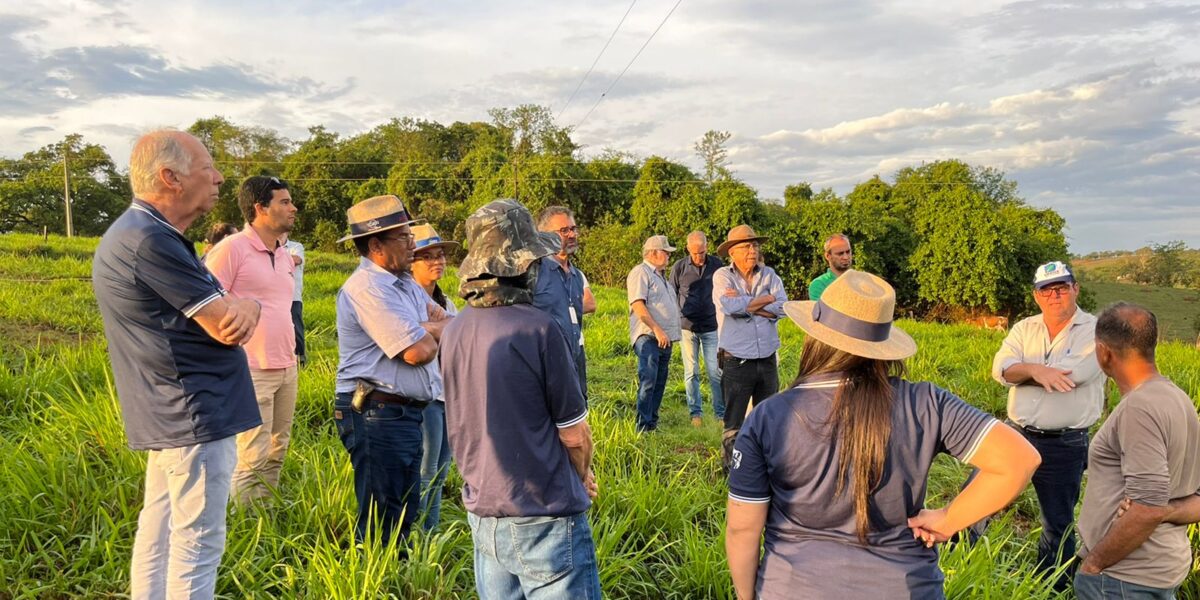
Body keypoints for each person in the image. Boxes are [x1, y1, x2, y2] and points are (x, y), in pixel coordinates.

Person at [726, 270, 1040, 599]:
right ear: (882, 345)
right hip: (904, 586)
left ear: (814, 336)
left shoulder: (768, 416)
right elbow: (1020, 460)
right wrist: (949, 520)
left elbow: (742, 528)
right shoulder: (926, 402)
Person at [92, 129, 262, 598]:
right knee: (197, 542)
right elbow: (228, 323)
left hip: (170, 410)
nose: (219, 178)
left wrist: (235, 302)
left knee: (161, 529)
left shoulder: (140, 233)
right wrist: (251, 304)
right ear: (170, 177)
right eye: (208, 169)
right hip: (194, 414)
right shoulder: (150, 241)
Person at [442, 199, 602, 599]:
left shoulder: (455, 329)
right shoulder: (540, 329)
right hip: (543, 513)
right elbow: (575, 435)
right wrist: (581, 475)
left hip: (484, 512)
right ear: (523, 267)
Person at [332, 195, 451, 548]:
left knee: (404, 504)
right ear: (375, 245)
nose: (413, 246)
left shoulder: (405, 284)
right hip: (375, 411)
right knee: (382, 509)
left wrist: (419, 326)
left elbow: (452, 324)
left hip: (401, 411)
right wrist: (424, 330)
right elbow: (419, 352)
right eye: (404, 238)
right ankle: (372, 576)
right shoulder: (368, 289)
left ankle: (392, 573)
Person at [1075, 302, 1200, 599]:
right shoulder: (1177, 398)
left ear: (1103, 352)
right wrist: (1170, 509)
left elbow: (1147, 508)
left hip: (1124, 577)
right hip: (1161, 568)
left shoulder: (1139, 408)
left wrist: (1095, 564)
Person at [990, 260, 1105, 579]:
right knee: (979, 501)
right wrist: (1037, 371)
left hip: (1065, 442)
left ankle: (1051, 585)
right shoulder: (1024, 328)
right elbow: (999, 368)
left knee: (1057, 522)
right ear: (1036, 295)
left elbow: (1076, 375)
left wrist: (1020, 371)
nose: (1055, 295)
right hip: (1016, 434)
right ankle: (968, 569)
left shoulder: (1095, 330)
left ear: (1075, 289)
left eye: (1062, 287)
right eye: (1047, 289)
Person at [205, 175, 298, 504]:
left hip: (286, 365)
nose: (293, 208)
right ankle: (245, 529)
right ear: (260, 208)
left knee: (277, 448)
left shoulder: (284, 254)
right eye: (284, 202)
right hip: (250, 368)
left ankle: (265, 515)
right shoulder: (230, 250)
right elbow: (204, 304)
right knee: (252, 454)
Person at [712, 225, 787, 469]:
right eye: (745, 246)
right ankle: (731, 471)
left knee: (767, 417)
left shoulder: (770, 274)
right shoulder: (723, 276)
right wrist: (766, 300)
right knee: (734, 421)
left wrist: (748, 304)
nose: (752, 250)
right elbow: (729, 306)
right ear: (732, 252)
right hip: (736, 359)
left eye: (755, 245)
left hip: (766, 358)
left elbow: (783, 307)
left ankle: (762, 468)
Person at [409, 223, 459, 532]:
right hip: (422, 395)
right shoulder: (405, 299)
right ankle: (421, 535)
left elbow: (457, 343)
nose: (437, 261)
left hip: (447, 394)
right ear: (410, 261)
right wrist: (441, 329)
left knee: (441, 470)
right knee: (426, 470)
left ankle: (433, 531)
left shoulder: (447, 303)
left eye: (440, 255)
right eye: (427, 256)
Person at [533, 206, 593, 398]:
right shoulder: (534, 273)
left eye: (573, 229)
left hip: (574, 358)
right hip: (544, 365)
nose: (572, 234)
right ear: (544, 236)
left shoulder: (575, 275)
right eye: (564, 230)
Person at [669, 230, 725, 427]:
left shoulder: (718, 266)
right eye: (694, 253)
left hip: (711, 326)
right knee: (691, 371)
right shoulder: (679, 267)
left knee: (715, 372)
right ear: (687, 249)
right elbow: (671, 293)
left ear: (706, 247)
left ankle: (720, 415)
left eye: (701, 252)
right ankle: (696, 414)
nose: (698, 257)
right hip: (687, 328)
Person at [627, 235, 682, 432]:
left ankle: (651, 423)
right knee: (649, 381)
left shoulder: (661, 277)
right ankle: (642, 426)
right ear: (653, 253)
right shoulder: (640, 273)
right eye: (665, 252)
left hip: (664, 339)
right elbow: (638, 305)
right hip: (649, 337)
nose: (669, 256)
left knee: (659, 383)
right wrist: (657, 330)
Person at [283, 234, 306, 367]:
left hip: (293, 297)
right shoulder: (270, 248)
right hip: (276, 297)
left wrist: (277, 257)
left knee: (296, 328)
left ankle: (300, 358)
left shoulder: (296, 246)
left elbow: (297, 259)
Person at [808, 233, 852, 301]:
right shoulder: (819, 284)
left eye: (848, 252)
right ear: (828, 256)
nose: (846, 257)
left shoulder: (862, 280)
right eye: (840, 253)